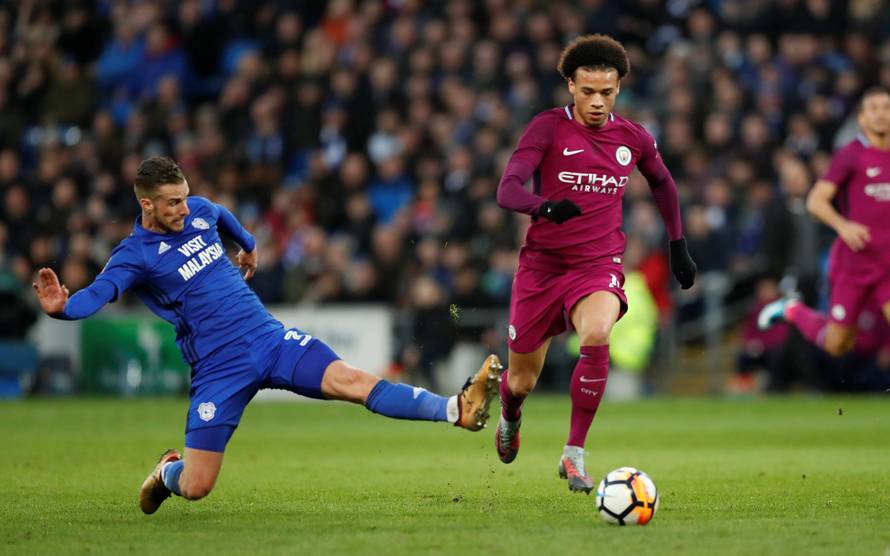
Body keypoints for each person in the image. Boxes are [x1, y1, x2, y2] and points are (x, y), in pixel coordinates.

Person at [32, 156, 501, 514]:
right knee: (197, 486)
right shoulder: (135, 254)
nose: (184, 208)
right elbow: (100, 292)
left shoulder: (198, 211)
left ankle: (454, 410)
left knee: (354, 382)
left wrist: (250, 248)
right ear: (146, 204)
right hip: (219, 369)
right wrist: (64, 308)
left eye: (185, 197)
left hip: (270, 340)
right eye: (172, 202)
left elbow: (222, 217)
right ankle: (166, 470)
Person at [493, 35, 696, 493]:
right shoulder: (547, 128)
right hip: (542, 268)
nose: (597, 102)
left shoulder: (634, 137)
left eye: (606, 92)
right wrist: (542, 207)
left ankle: (574, 454)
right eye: (588, 92)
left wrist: (677, 243)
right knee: (522, 380)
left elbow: (663, 184)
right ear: (570, 86)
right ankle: (509, 413)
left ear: (618, 89)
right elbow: (507, 189)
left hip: (598, 263)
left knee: (598, 332)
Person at [759, 87, 890, 360]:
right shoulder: (851, 155)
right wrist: (844, 226)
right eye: (874, 109)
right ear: (862, 118)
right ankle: (793, 310)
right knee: (837, 344)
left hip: (887, 264)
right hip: (854, 264)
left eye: (886, 107)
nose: (881, 114)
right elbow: (816, 202)